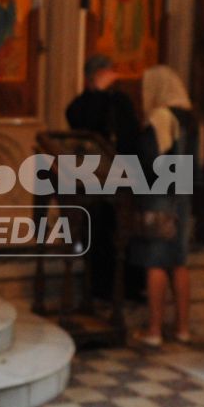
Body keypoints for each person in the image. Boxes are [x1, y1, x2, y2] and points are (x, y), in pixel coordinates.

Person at [130, 64, 199, 347]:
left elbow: (149, 159)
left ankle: (154, 331)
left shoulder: (161, 116)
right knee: (179, 262)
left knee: (155, 260)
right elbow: (198, 163)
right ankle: (182, 328)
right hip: (184, 192)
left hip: (160, 192)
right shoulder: (193, 118)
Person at [65, 54, 139, 301]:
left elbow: (130, 135)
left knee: (119, 234)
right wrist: (97, 93)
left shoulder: (120, 102)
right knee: (94, 233)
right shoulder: (80, 104)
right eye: (106, 73)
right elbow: (81, 120)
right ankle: (97, 288)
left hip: (121, 178)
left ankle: (124, 289)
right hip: (91, 180)